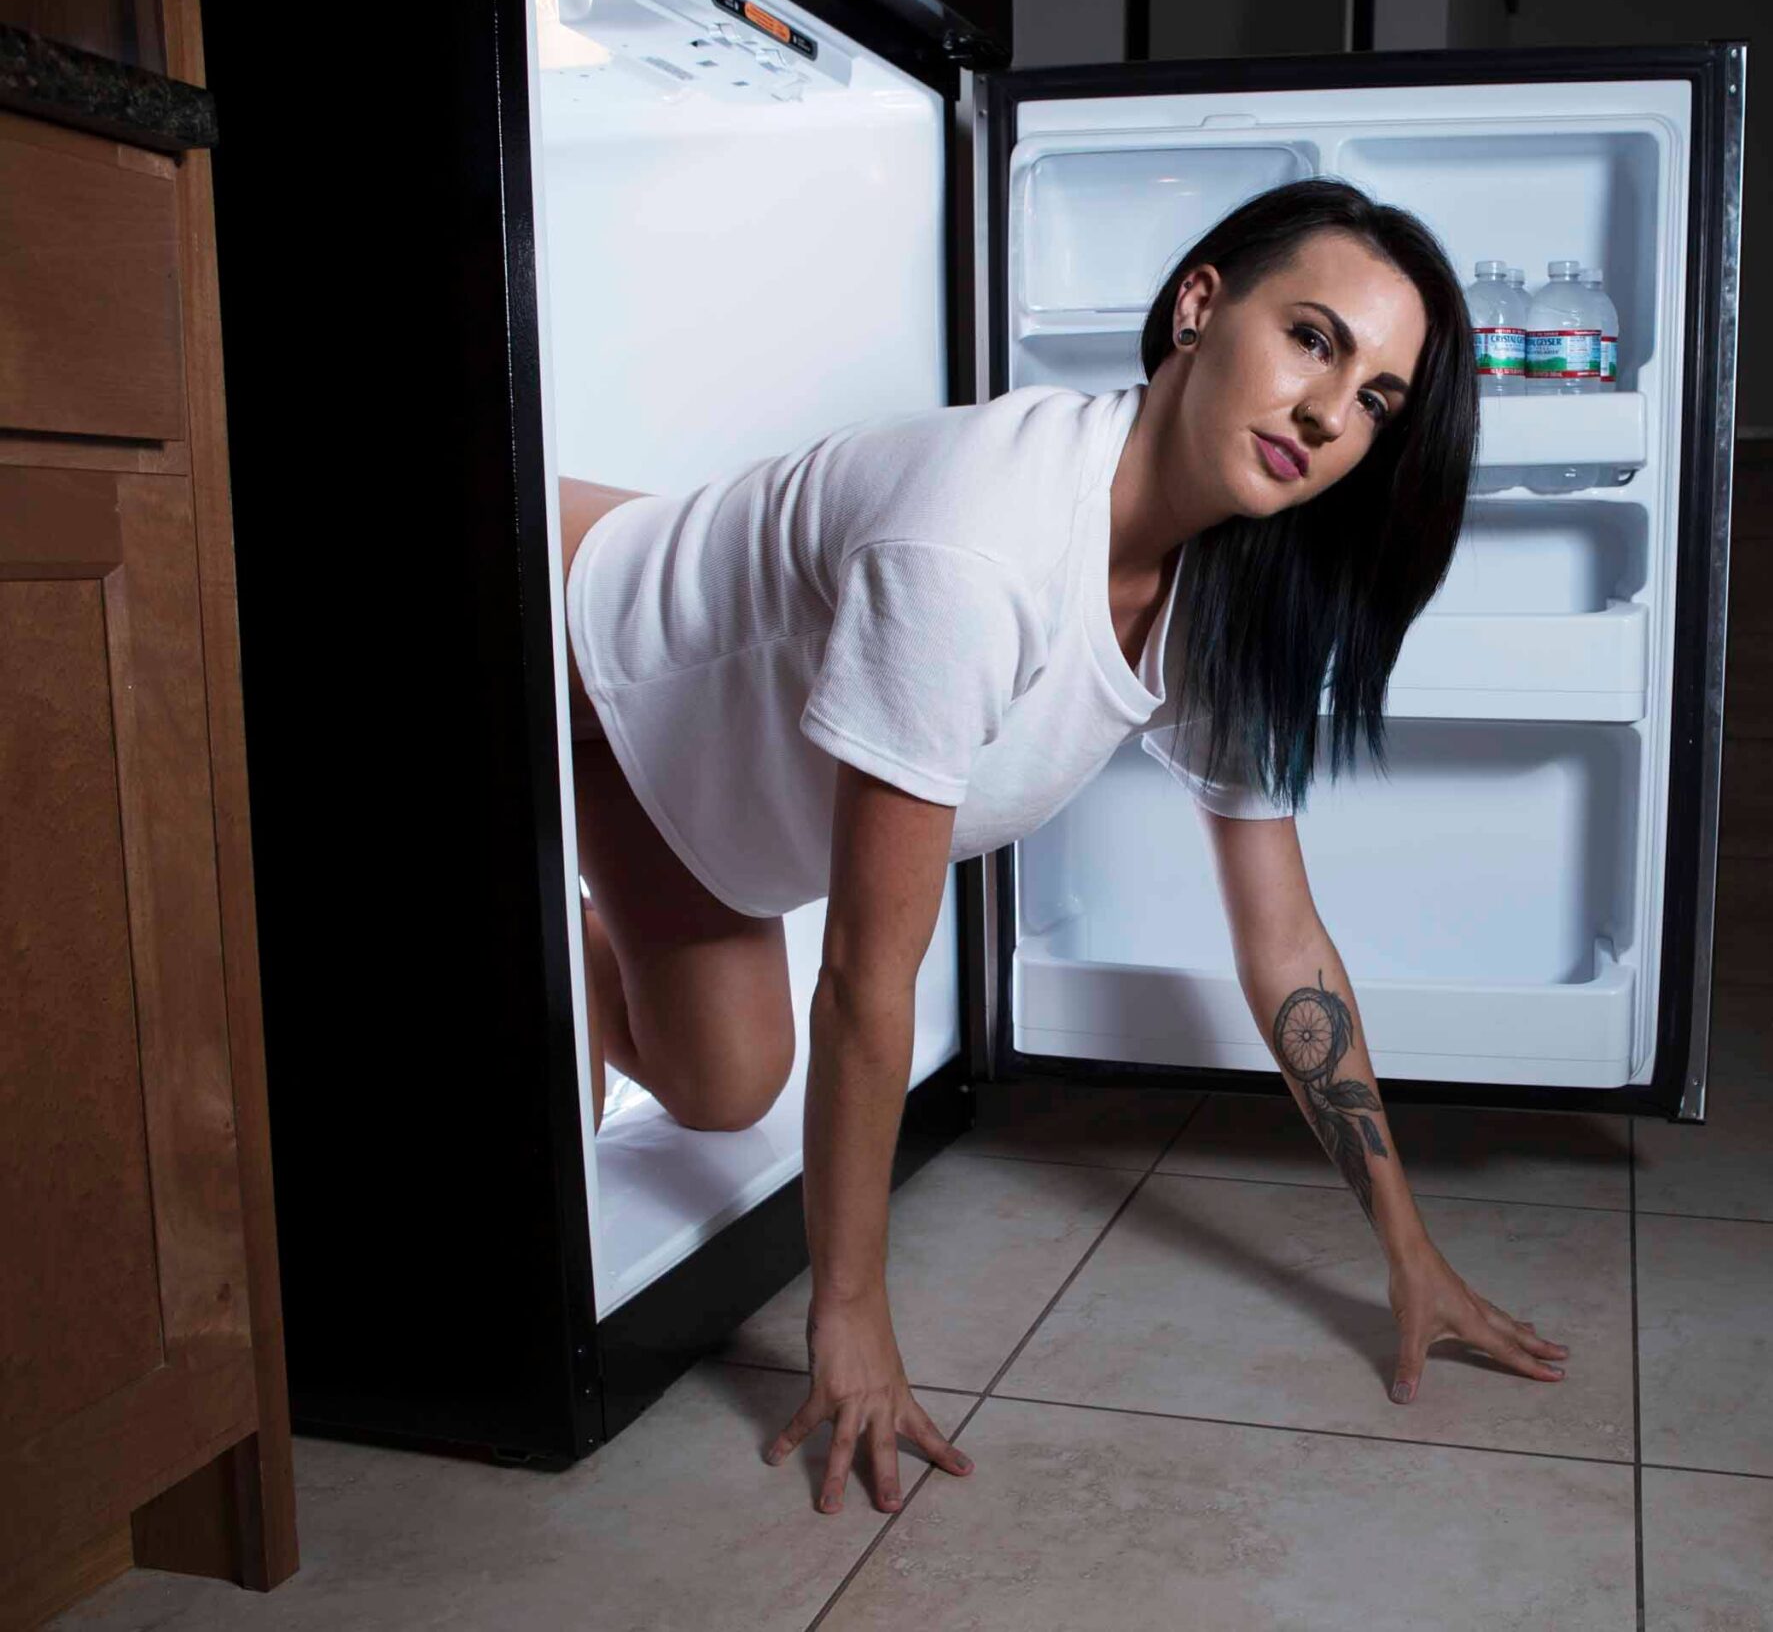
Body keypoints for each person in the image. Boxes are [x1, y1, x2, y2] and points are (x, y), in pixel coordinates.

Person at [556, 179, 1571, 1520]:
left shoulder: (1212, 603)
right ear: (1200, 307)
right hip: (553, 630)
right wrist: (849, 1314)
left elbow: (1285, 947)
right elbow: (864, 976)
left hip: (669, 779)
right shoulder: (982, 545)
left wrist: (1408, 1250)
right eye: (1312, 339)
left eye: (1378, 399)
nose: (1331, 414)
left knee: (725, 1087)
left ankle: (576, 929)